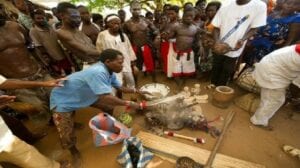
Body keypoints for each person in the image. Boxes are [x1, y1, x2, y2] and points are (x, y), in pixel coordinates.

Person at [50, 49, 147, 167]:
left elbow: (120, 87)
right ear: (108, 61)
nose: (122, 65)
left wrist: (136, 90)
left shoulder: (109, 71)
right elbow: (105, 96)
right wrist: (129, 103)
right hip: (64, 99)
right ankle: (74, 152)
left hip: (85, 94)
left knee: (108, 107)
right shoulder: (98, 72)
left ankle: (109, 125)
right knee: (66, 132)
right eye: (119, 62)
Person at [0, 4, 53, 124]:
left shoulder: (15, 26)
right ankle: (54, 124)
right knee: (38, 109)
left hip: (39, 73)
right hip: (17, 82)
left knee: (59, 98)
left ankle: (64, 123)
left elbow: (31, 46)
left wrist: (43, 63)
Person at [0, 75, 66, 168]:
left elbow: (3, 83)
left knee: (16, 127)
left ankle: (30, 137)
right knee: (25, 154)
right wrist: (43, 84)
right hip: (4, 140)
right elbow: (4, 83)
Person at [210, 0, 267, 86]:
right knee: (216, 65)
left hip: (236, 45)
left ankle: (220, 88)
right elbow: (216, 27)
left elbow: (255, 27)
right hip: (220, 44)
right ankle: (212, 84)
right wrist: (217, 42)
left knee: (227, 68)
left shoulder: (259, 6)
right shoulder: (226, 4)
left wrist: (243, 39)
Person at [250, 44, 300, 130]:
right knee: (275, 100)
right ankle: (259, 121)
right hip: (272, 72)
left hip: (272, 65)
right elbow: (295, 85)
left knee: (271, 98)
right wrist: (294, 98)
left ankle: (260, 116)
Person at [244, 0, 300, 65]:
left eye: (296, 4)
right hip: (253, 44)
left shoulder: (296, 18)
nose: (290, 6)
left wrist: (278, 57)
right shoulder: (275, 12)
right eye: (288, 3)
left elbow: (290, 42)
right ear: (284, 2)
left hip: (269, 52)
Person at [96, 14, 137, 89]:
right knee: (117, 83)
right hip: (112, 63)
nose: (116, 25)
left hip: (125, 62)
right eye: (113, 23)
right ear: (108, 24)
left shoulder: (123, 35)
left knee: (130, 80)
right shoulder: (102, 35)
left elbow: (129, 48)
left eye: (118, 23)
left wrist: (133, 64)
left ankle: (132, 95)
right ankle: (119, 97)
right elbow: (99, 49)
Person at [30, 9, 74, 77]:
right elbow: (39, 47)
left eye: (42, 17)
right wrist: (50, 58)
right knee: (59, 75)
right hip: (53, 58)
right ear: (33, 19)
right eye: (38, 18)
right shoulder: (33, 31)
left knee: (69, 71)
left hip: (61, 54)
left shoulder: (49, 26)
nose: (41, 20)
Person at [56, 2, 100, 70]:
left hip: (97, 62)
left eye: (78, 17)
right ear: (62, 16)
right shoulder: (61, 32)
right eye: (73, 17)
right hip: (87, 67)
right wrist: (107, 53)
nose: (78, 20)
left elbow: (91, 46)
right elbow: (86, 51)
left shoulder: (77, 29)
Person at [167, 7, 204, 87]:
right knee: (176, 69)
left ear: (194, 17)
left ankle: (183, 82)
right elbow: (169, 37)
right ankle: (179, 83)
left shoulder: (195, 28)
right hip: (177, 52)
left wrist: (201, 46)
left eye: (191, 16)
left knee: (187, 69)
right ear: (183, 16)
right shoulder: (176, 27)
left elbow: (198, 39)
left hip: (188, 52)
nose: (189, 18)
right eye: (187, 16)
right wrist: (166, 35)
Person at [123, 0, 159, 82]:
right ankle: (135, 83)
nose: (136, 11)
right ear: (130, 10)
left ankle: (154, 80)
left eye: (138, 9)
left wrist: (157, 38)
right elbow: (124, 37)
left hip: (146, 46)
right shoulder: (127, 24)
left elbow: (156, 31)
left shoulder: (146, 21)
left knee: (150, 64)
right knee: (135, 66)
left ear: (141, 9)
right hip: (134, 47)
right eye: (134, 9)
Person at [160, 5, 180, 77]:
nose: (170, 15)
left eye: (172, 14)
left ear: (177, 14)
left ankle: (173, 75)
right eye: (168, 14)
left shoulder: (177, 24)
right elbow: (163, 33)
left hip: (172, 45)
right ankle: (168, 74)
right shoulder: (168, 23)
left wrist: (164, 35)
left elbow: (169, 36)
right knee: (166, 60)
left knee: (172, 61)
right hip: (165, 44)